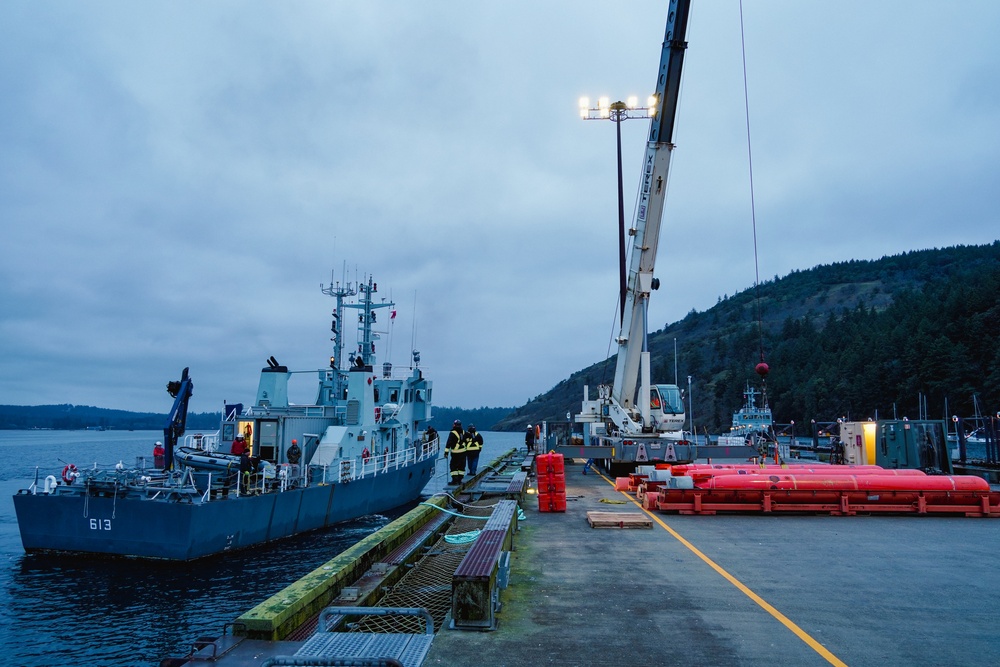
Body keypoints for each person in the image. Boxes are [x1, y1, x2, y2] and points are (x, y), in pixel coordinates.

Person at [445, 420, 467, 485]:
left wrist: (446, 453)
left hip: (455, 453)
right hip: (463, 452)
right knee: (461, 466)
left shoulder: (452, 433)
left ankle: (454, 480)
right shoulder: (463, 432)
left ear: (454, 425)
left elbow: (449, 443)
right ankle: (460, 480)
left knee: (453, 466)